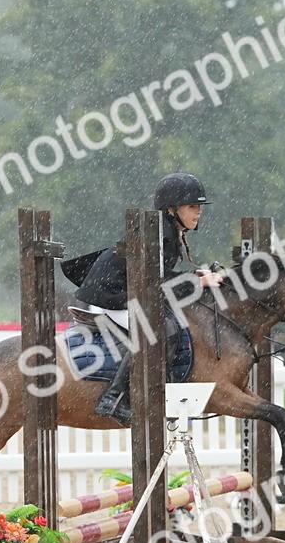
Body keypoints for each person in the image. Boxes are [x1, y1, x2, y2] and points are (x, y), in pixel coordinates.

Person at [63, 172, 223, 425]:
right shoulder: (162, 234)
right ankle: (114, 398)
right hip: (112, 296)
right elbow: (157, 282)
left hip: (125, 292)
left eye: (199, 206)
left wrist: (194, 276)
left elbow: (159, 275)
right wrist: (197, 282)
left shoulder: (167, 230)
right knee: (159, 328)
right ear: (172, 209)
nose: (199, 212)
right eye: (192, 206)